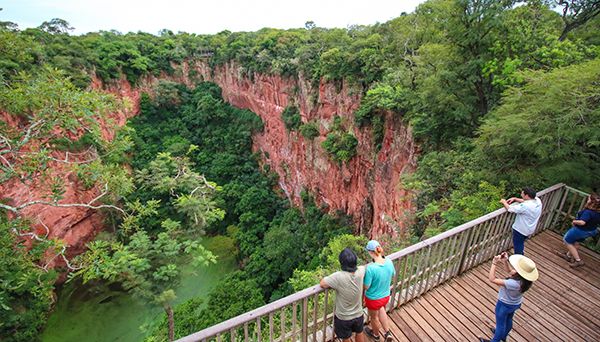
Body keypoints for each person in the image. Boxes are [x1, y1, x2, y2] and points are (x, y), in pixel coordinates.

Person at [479, 252, 538, 342]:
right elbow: (510, 271)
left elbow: (492, 279)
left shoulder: (513, 283)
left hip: (504, 304)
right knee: (509, 319)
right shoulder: (526, 280)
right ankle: (503, 335)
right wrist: (505, 261)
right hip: (515, 303)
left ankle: (495, 339)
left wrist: (494, 263)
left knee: (500, 325)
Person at [320, 248, 366, 342]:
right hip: (358, 313)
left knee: (346, 337)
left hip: (344, 317)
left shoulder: (338, 276)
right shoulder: (361, 271)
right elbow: (364, 267)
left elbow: (322, 283)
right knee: (360, 332)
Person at [556, 193, 600, 268]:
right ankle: (568, 256)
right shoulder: (597, 212)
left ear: (591, 202)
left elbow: (582, 222)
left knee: (567, 240)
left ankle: (578, 260)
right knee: (576, 242)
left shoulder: (588, 212)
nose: (587, 199)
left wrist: (574, 222)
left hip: (581, 230)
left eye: (589, 198)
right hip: (590, 230)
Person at [363, 240, 395, 342]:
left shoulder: (370, 268)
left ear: (371, 252)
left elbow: (366, 287)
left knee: (374, 317)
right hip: (385, 295)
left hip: (373, 298)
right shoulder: (389, 261)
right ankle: (387, 332)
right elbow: (393, 274)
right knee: (381, 309)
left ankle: (376, 335)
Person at [500, 187, 542, 255]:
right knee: (521, 242)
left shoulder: (525, 206)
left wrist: (504, 202)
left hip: (521, 230)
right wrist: (515, 199)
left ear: (527, 195)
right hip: (530, 228)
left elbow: (510, 209)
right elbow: (525, 201)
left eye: (522, 193)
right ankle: (519, 255)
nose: (521, 194)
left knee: (518, 245)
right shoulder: (538, 201)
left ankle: (519, 258)